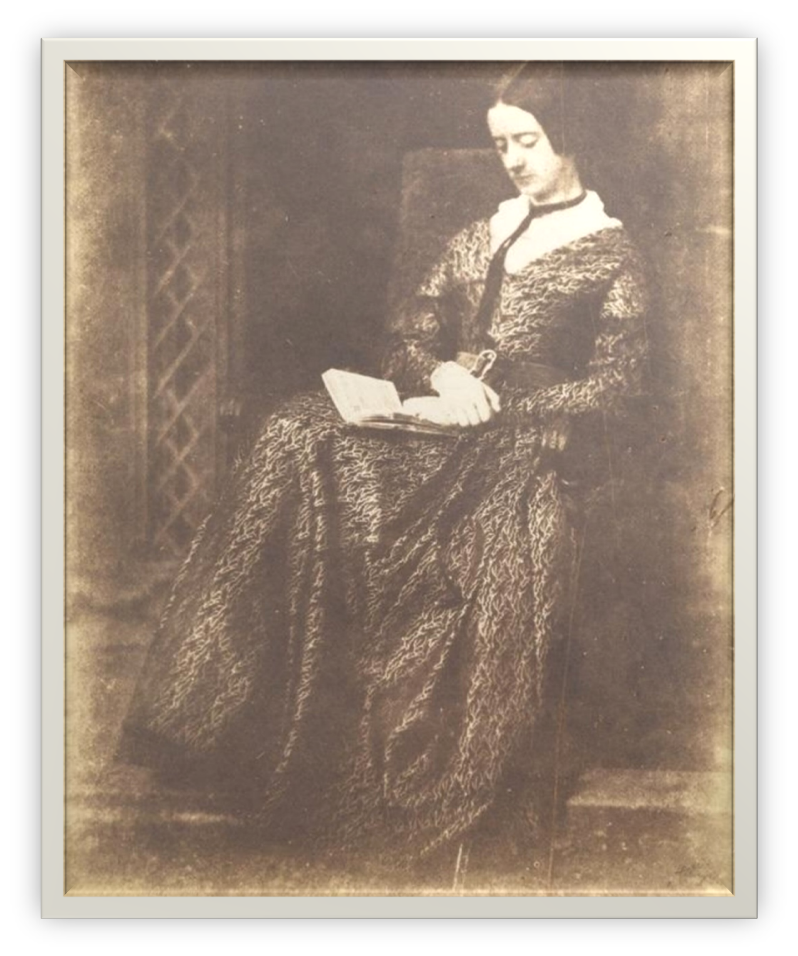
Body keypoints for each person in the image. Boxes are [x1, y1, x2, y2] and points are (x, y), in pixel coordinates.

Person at [119, 63, 649, 869]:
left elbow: (620, 389)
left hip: (516, 445)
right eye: (500, 142)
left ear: (567, 135)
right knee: (296, 429)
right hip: (437, 418)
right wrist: (440, 376)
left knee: (445, 530)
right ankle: (207, 716)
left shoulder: (614, 256)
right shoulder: (483, 232)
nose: (511, 158)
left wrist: (506, 408)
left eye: (527, 140)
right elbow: (407, 336)